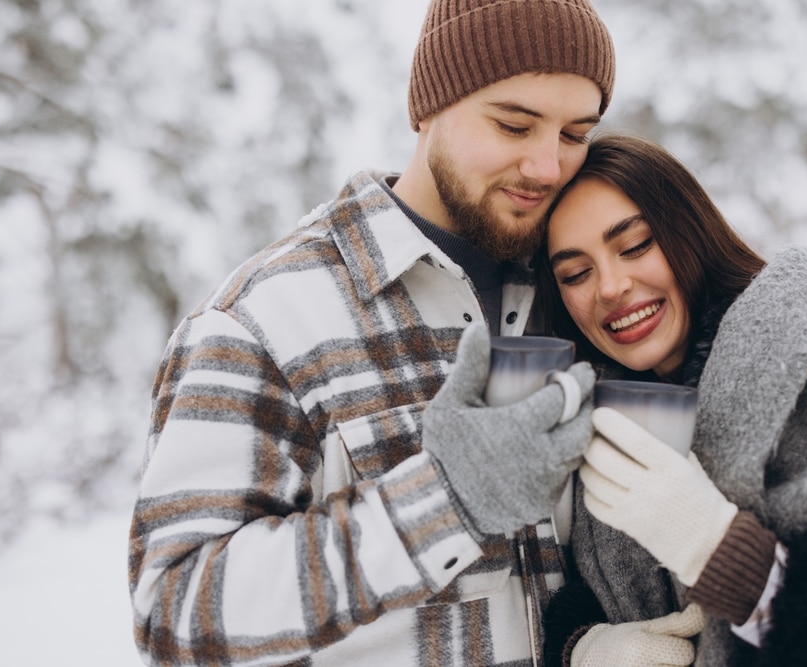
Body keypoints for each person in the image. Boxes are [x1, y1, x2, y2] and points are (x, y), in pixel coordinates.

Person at [127, 1, 618, 665]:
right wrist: (447, 500)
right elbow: (175, 616)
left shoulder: (578, 294)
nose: (547, 167)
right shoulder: (263, 317)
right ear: (428, 108)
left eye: (573, 134)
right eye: (514, 124)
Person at [535, 133, 807, 666]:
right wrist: (581, 645)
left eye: (635, 246)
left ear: (690, 232)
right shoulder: (601, 416)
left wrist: (721, 554)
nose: (609, 287)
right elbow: (583, 585)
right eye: (576, 273)